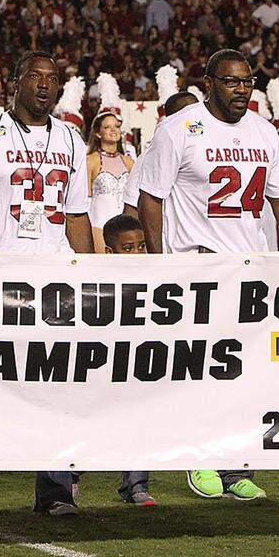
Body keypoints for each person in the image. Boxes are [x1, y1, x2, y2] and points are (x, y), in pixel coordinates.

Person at [136, 48, 279, 501]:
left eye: (247, 81)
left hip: (248, 263)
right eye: (232, 81)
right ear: (209, 83)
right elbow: (151, 196)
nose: (242, 89)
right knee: (201, 367)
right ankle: (200, 458)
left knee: (244, 370)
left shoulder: (264, 131)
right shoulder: (180, 127)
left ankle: (237, 464)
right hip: (197, 260)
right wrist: (158, 261)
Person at [0, 51, 92, 515]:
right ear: (16, 83)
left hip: (55, 274)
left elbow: (77, 214)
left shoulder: (73, 139)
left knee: (55, 383)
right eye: (34, 77)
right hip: (0, 275)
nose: (43, 85)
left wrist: (90, 271)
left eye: (51, 79)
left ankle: (54, 490)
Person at [100, 213, 155, 507]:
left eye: (142, 246)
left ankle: (136, 484)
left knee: (139, 413)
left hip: (135, 363)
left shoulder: (153, 284)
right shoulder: (94, 284)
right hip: (101, 367)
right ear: (110, 252)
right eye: (129, 247)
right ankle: (67, 479)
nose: (137, 253)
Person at [121, 91, 198, 220]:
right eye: (191, 113)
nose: (198, 118)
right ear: (175, 119)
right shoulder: (151, 155)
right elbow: (132, 208)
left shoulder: (209, 148)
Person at [86, 111, 134, 252]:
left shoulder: (129, 162)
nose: (113, 130)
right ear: (98, 133)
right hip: (99, 226)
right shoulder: (91, 161)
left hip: (125, 230)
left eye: (116, 126)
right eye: (107, 127)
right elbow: (85, 199)